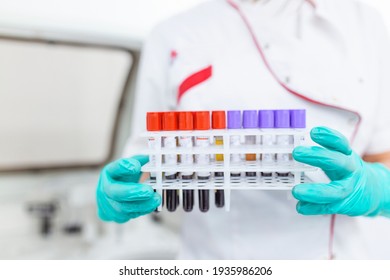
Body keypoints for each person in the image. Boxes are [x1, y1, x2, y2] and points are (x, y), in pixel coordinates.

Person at [96, 0, 390, 259]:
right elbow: (149, 161)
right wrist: (125, 191)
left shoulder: (365, 24)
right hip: (214, 260)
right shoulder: (173, 35)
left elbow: (384, 156)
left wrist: (377, 188)